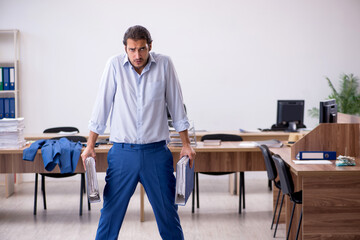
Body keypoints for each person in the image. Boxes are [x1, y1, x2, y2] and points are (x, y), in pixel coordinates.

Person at [81, 25, 196, 240]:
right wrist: (89, 146)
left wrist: (186, 145)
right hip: (123, 154)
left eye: (142, 49)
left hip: (156, 153)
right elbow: (101, 108)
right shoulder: (114, 65)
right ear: (125, 48)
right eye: (132, 50)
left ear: (150, 46)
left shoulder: (164, 65)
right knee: (110, 214)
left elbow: (177, 107)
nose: (137, 55)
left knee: (168, 214)